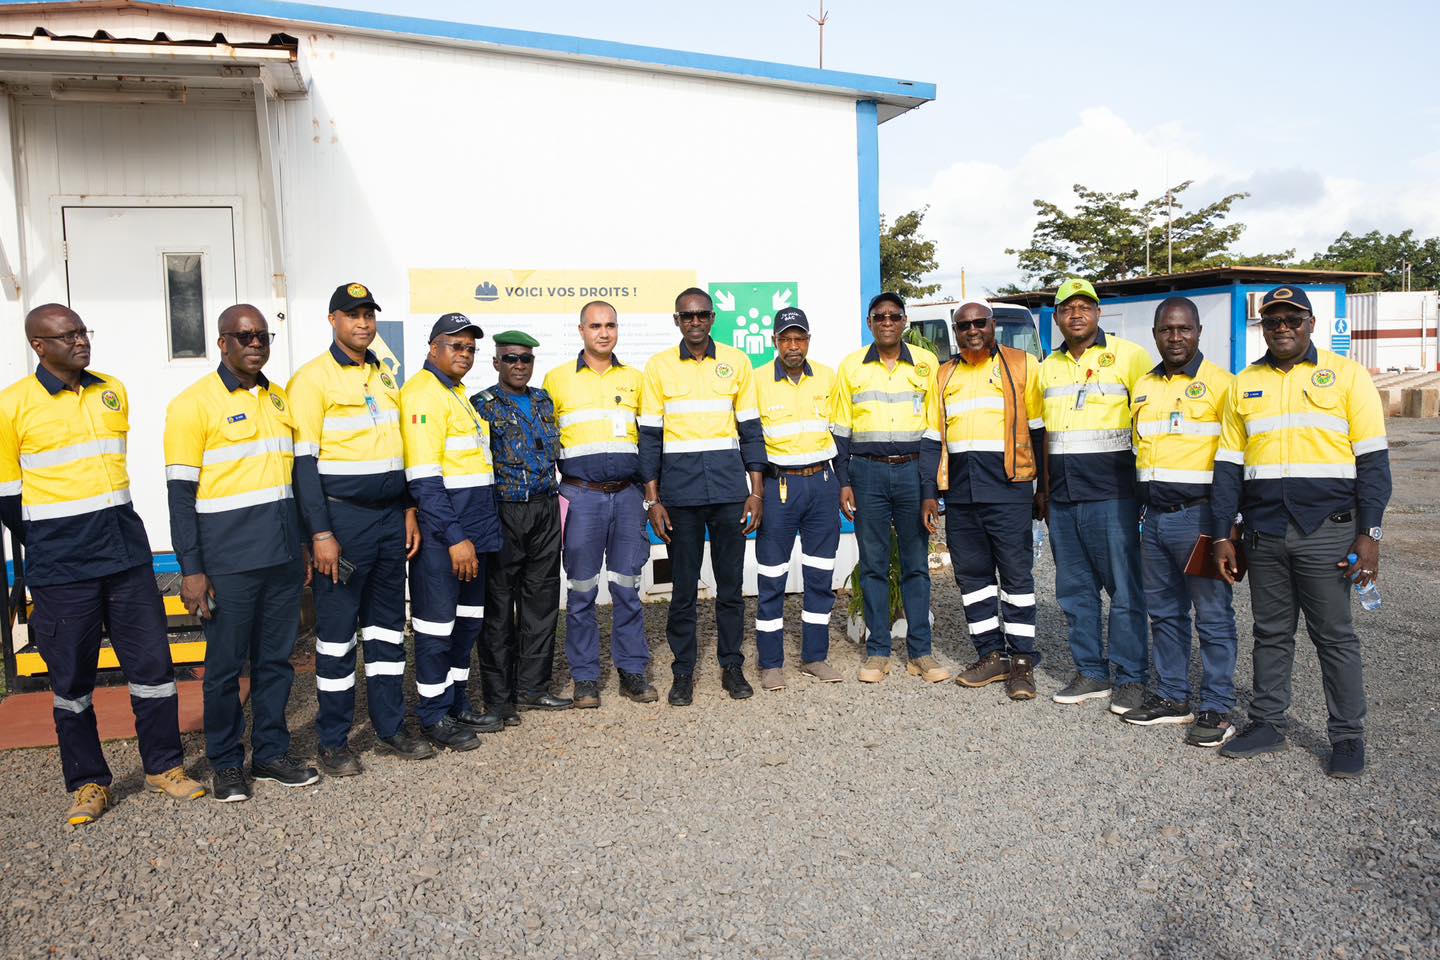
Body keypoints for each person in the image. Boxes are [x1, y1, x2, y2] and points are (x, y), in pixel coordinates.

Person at [0, 304, 204, 825]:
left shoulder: (111, 389)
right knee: (71, 682)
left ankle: (163, 767)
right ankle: (89, 782)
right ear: (38, 346)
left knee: (154, 669)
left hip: (126, 556)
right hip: (62, 565)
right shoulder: (12, 406)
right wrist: (48, 540)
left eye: (82, 332)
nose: (79, 341)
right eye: (65, 336)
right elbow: (7, 498)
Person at [1211, 285, 1390, 778]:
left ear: (1310, 323)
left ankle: (1348, 736)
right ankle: (1267, 723)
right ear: (1262, 327)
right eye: (1273, 321)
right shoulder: (1243, 384)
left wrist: (1369, 535)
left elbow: (1373, 463)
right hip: (1264, 533)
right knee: (1270, 633)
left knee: (1334, 636)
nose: (1282, 328)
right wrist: (1223, 534)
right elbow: (1227, 466)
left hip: (1328, 532)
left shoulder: (1348, 377)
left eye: (1292, 319)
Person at [165, 304, 317, 802]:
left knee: (275, 663)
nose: (255, 343)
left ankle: (271, 754)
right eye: (244, 336)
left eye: (262, 335)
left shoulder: (278, 400)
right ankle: (226, 763)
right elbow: (180, 496)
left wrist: (304, 545)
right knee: (226, 669)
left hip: (280, 558)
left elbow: (289, 483)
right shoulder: (192, 405)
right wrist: (192, 570)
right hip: (228, 562)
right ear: (222, 343)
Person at [286, 282, 433, 775]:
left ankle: (390, 728)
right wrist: (320, 534)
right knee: (337, 638)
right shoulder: (311, 380)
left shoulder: (384, 376)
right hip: (342, 522)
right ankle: (333, 740)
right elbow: (304, 466)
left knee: (388, 632)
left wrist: (408, 508)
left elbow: (399, 450)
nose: (364, 322)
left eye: (369, 314)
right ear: (333, 320)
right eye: (353, 315)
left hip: (390, 519)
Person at [1118, 297, 1239, 744]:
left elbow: (1234, 462)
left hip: (1202, 519)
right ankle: (1172, 697)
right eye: (1166, 330)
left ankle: (1217, 706)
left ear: (1199, 332)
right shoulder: (1145, 387)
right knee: (1165, 613)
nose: (1175, 337)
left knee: (1212, 617)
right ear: (1154, 334)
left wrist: (1230, 525)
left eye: (1183, 329)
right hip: (1155, 520)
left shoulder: (1223, 386)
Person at [639, 287, 766, 705]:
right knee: (682, 592)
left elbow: (750, 431)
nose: (695, 322)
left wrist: (756, 492)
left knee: (731, 588)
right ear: (677, 320)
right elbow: (650, 440)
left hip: (730, 493)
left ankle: (732, 666)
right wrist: (653, 501)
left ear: (712, 319)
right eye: (687, 316)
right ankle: (683, 672)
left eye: (702, 315)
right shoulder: (657, 368)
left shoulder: (737, 362)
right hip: (680, 497)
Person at [1039, 277, 1152, 714]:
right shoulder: (1047, 366)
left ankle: (1131, 677)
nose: (1076, 314)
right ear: (1058, 317)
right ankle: (1090, 671)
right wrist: (1043, 492)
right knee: (1075, 592)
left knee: (1124, 590)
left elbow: (1150, 419)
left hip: (1114, 495)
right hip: (1063, 499)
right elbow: (1043, 434)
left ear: (1098, 313)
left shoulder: (1129, 356)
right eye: (1067, 308)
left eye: (1085, 307)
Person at [542, 301, 657, 708]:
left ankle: (632, 669)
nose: (603, 333)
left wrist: (649, 495)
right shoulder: (556, 380)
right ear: (581, 330)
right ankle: (586, 677)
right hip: (580, 497)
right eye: (595, 326)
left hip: (627, 496)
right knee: (581, 591)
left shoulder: (636, 379)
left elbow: (649, 442)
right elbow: (544, 442)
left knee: (627, 587)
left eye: (610, 325)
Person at [831, 292, 947, 684]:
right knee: (875, 564)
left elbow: (934, 430)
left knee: (916, 565)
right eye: (878, 316)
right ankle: (878, 650)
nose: (886, 322)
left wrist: (930, 488)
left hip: (914, 472)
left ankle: (920, 652)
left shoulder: (928, 364)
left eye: (894, 316)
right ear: (869, 322)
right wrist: (844, 481)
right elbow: (841, 430)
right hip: (867, 474)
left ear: (904, 322)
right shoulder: (851, 367)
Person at [399, 314, 502, 751]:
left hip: (474, 535)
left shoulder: (457, 394)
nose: (464, 354)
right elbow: (424, 480)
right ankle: (433, 715)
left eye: (470, 348)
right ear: (432, 348)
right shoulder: (422, 395)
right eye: (455, 345)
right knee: (436, 629)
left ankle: (457, 702)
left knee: (466, 626)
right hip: (447, 539)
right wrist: (456, 537)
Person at [937, 299, 1045, 701]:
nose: (972, 331)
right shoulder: (945, 373)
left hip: (1008, 488)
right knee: (973, 579)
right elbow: (937, 437)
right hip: (962, 494)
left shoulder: (1021, 365)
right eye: (963, 326)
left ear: (993, 325)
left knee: (1016, 578)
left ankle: (1021, 661)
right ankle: (990, 654)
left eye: (979, 323)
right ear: (955, 331)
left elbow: (1038, 430)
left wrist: (1042, 489)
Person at [473, 331, 572, 717]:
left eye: (525, 359)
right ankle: (499, 700)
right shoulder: (482, 405)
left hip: (545, 509)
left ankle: (533, 687)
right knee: (498, 609)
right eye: (510, 358)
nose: (518, 366)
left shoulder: (543, 400)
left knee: (542, 603)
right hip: (503, 510)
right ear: (496, 362)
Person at [752, 307, 842, 691]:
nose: (793, 346)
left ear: (808, 340)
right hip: (779, 487)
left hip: (822, 483)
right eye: (786, 339)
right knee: (772, 576)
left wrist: (844, 483)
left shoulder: (827, 376)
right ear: (775, 342)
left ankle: (814, 657)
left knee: (820, 575)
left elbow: (841, 434)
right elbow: (751, 440)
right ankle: (771, 662)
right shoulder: (756, 381)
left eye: (799, 338)